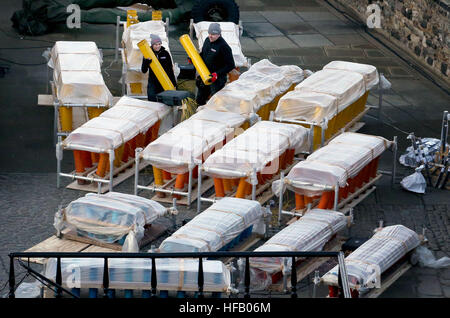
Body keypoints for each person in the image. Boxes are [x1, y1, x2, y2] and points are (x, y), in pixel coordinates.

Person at [196, 23, 235, 106]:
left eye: (213, 34)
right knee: (200, 100)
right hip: (205, 75)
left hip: (217, 80)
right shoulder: (207, 40)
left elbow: (231, 65)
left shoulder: (224, 46)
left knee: (215, 103)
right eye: (209, 33)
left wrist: (217, 74)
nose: (210, 36)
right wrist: (194, 59)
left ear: (219, 34)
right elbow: (203, 54)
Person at [141, 34, 177, 102]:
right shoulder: (147, 54)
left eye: (159, 44)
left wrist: (173, 83)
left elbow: (170, 69)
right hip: (153, 82)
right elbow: (143, 70)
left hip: (164, 81)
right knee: (152, 100)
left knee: (163, 101)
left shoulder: (165, 53)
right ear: (152, 45)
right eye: (156, 44)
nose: (158, 46)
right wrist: (146, 62)